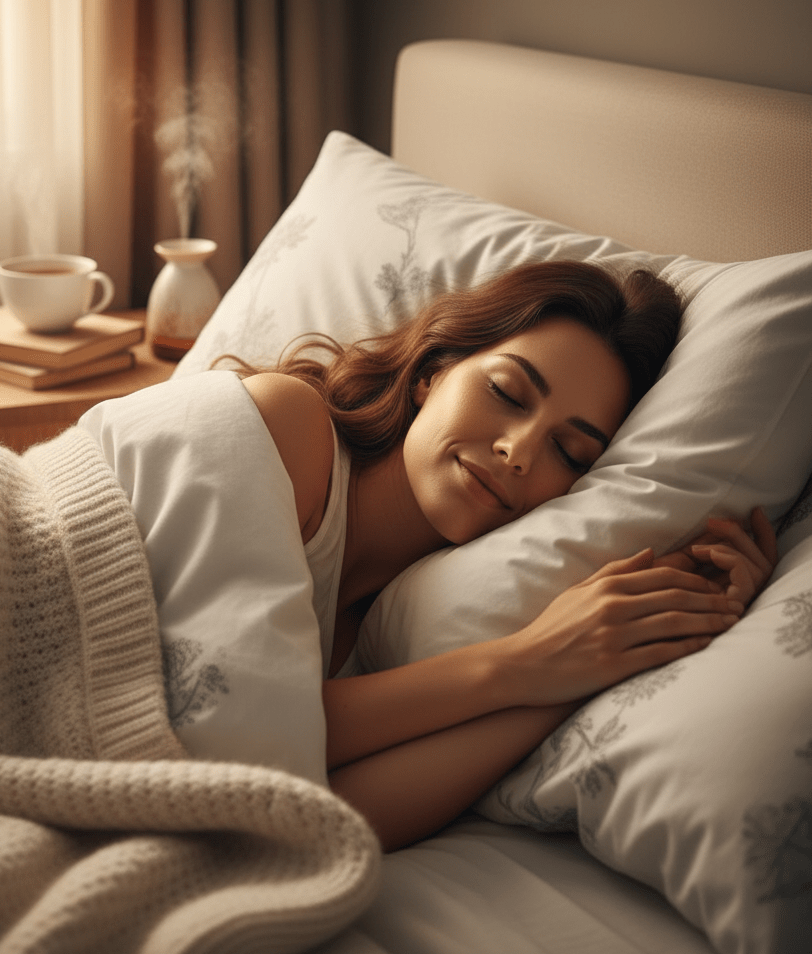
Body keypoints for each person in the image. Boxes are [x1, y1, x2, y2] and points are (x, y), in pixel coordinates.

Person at [223, 260, 778, 851]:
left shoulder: (383, 629)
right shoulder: (287, 426)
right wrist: (523, 661)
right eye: (506, 393)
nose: (518, 452)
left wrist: (597, 659)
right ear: (434, 372)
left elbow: (320, 822)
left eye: (568, 452)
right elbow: (231, 723)